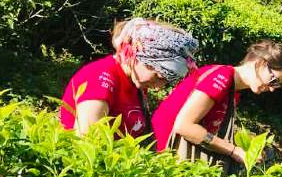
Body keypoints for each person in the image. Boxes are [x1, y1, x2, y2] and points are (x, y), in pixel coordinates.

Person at [152, 39, 282, 177]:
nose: (272, 89)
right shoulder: (222, 77)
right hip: (162, 157)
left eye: (277, 85)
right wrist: (233, 150)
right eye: (273, 80)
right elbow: (184, 126)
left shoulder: (232, 90)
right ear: (260, 62)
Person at [60, 18, 198, 138]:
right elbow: (87, 142)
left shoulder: (135, 83)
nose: (158, 87)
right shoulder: (99, 78)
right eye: (159, 76)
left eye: (166, 82)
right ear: (138, 56)